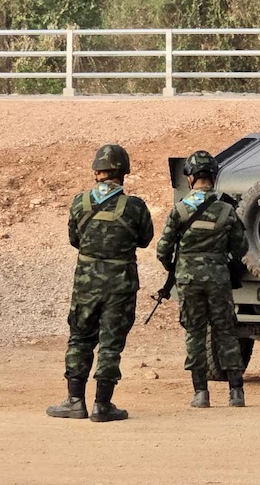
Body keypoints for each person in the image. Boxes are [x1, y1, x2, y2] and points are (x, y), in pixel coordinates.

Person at [47, 144, 154, 422]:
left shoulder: (79, 202)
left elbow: (75, 240)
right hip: (120, 284)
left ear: (96, 172)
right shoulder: (135, 207)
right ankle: (102, 405)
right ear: (123, 173)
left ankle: (74, 401)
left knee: (80, 338)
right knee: (110, 343)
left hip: (86, 283)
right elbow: (144, 240)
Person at [155, 150, 249, 408]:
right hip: (218, 277)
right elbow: (241, 248)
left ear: (190, 178)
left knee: (195, 332)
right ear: (214, 177)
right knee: (226, 331)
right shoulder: (226, 210)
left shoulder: (180, 211)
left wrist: (176, 267)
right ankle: (236, 392)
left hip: (188, 279)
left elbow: (163, 250)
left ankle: (201, 393)